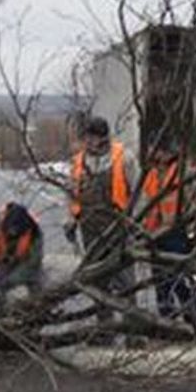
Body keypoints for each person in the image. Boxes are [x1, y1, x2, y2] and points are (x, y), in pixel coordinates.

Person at [65, 116, 138, 283]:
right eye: (87, 137)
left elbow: (137, 191)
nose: (88, 141)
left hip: (118, 225)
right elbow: (71, 194)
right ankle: (100, 299)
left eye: (92, 137)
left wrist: (137, 223)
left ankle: (126, 298)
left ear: (103, 137)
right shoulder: (78, 162)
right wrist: (70, 220)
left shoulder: (123, 157)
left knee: (123, 275)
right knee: (96, 277)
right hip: (89, 227)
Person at [141, 145, 196, 320]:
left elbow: (193, 203)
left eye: (158, 149)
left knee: (177, 276)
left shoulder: (183, 173)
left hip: (176, 233)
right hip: (155, 234)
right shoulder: (152, 174)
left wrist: (192, 232)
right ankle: (167, 319)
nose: (153, 153)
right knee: (160, 281)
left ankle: (190, 314)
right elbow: (145, 203)